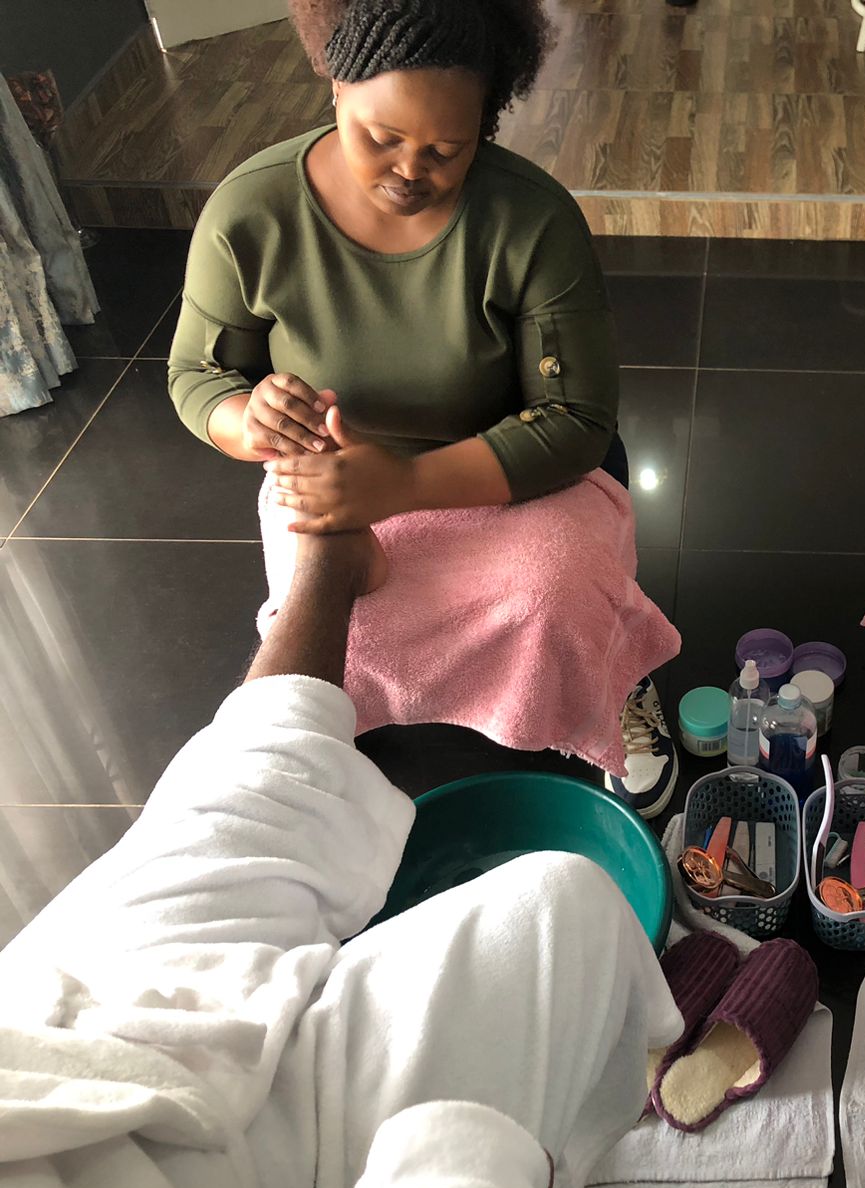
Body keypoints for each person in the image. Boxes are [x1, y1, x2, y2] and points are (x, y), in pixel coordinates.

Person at [0, 527, 683, 1188]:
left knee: (253, 783)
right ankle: (612, 1096)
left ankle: (330, 561)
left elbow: (569, 423)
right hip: (239, 1169)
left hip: (51, 1051)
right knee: (569, 907)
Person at [167, 0, 680, 817]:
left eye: (448, 150)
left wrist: (401, 484)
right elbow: (197, 376)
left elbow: (578, 419)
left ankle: (612, 691)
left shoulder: (531, 219)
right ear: (336, 85)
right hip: (335, 483)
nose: (411, 170)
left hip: (503, 472)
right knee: (329, 617)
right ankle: (340, 718)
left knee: (556, 595)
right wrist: (246, 418)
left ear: (486, 124)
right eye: (381, 138)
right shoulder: (250, 212)